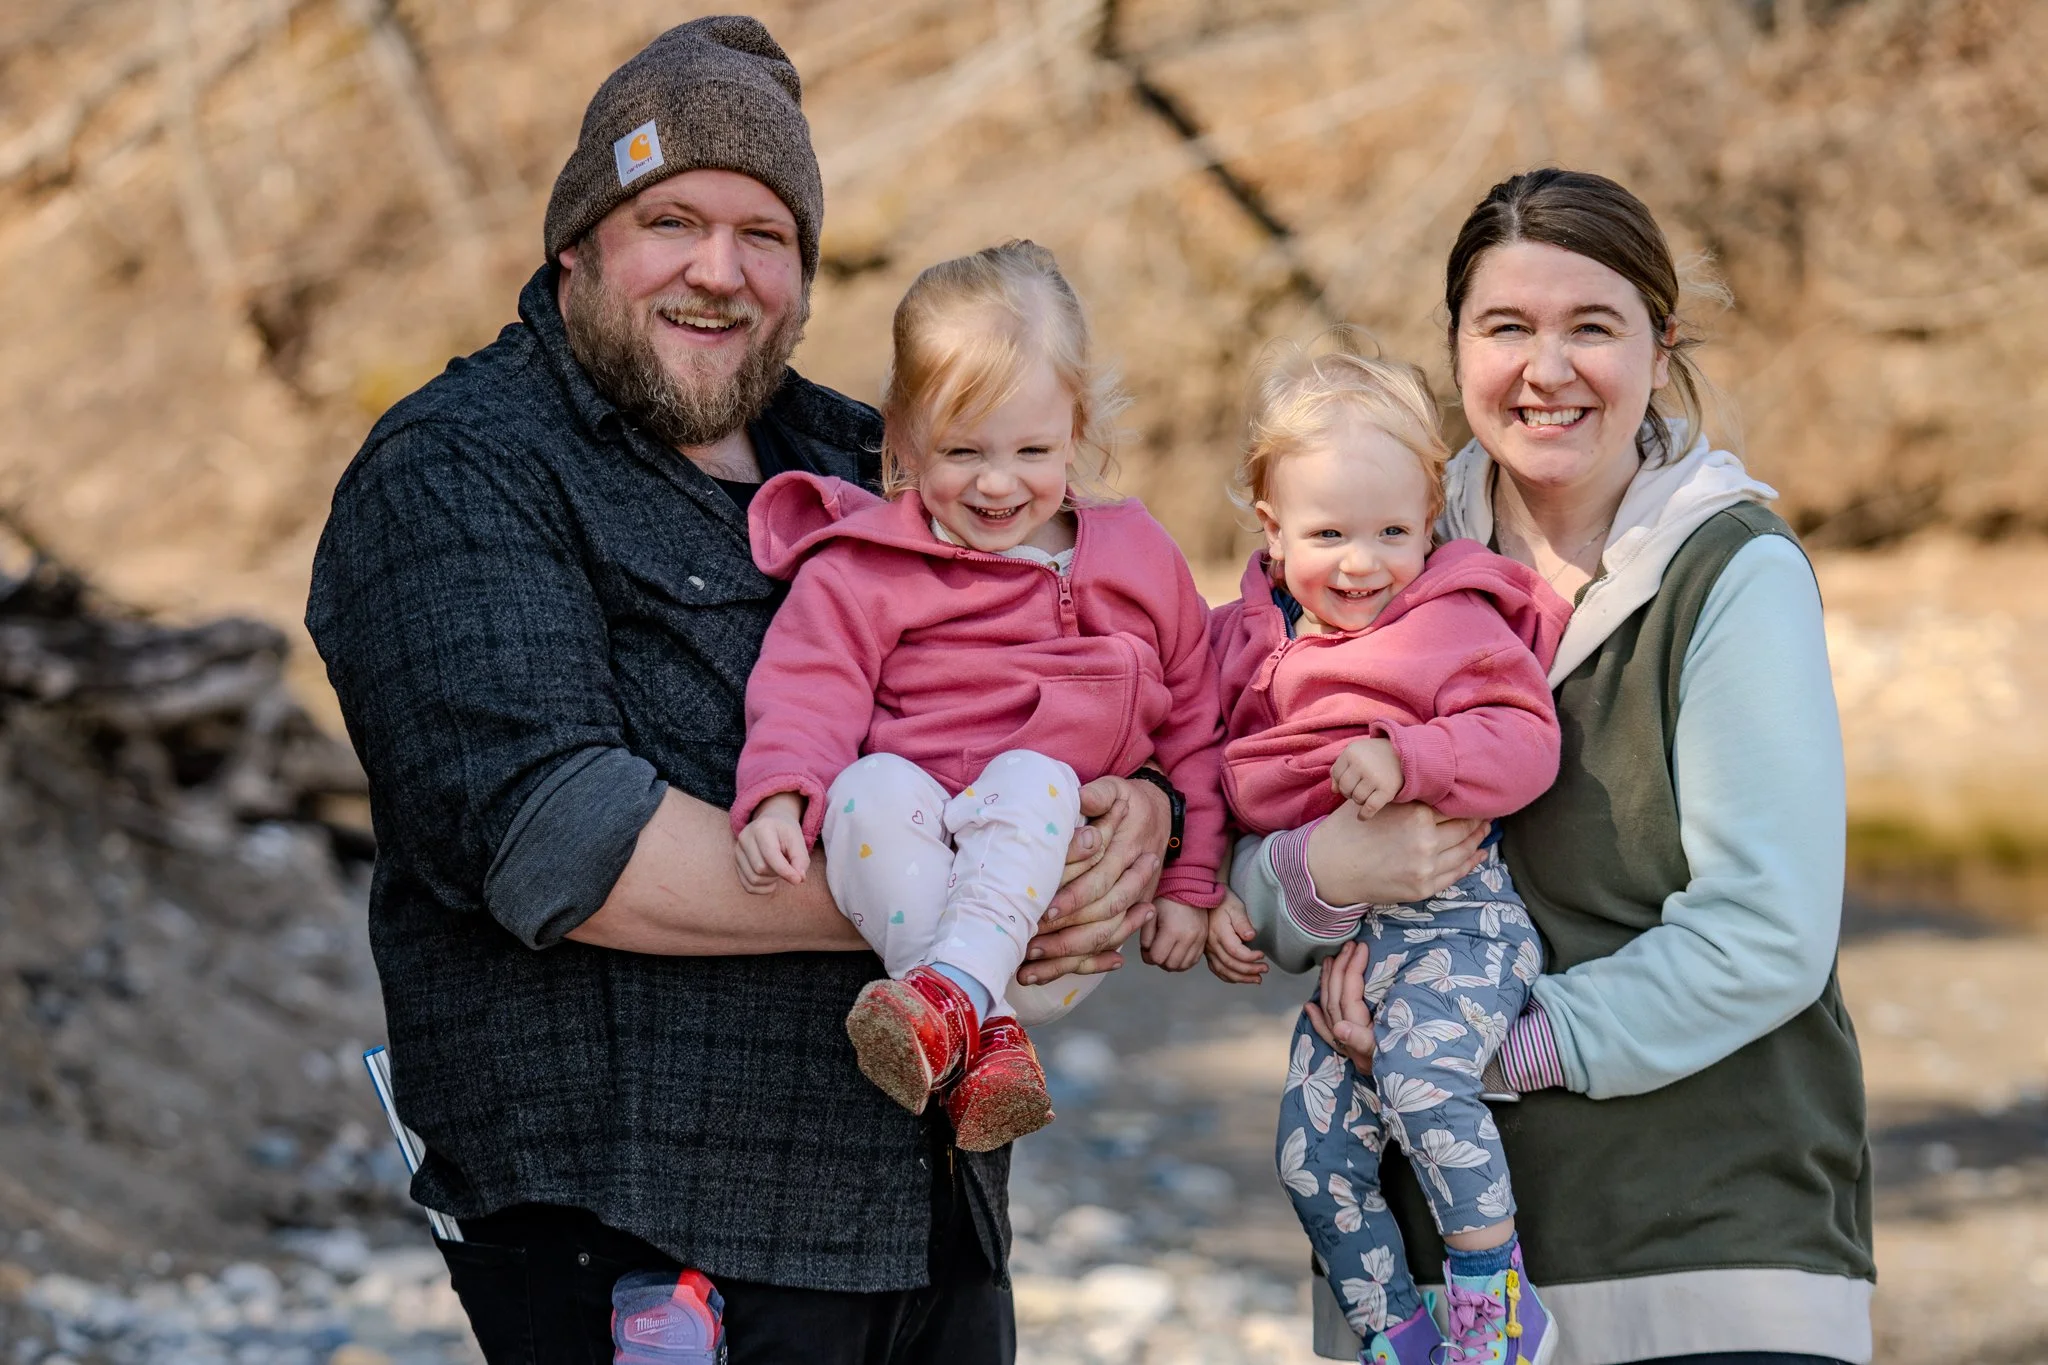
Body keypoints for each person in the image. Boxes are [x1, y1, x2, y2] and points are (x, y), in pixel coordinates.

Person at [305, 19, 1174, 1364]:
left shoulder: (866, 454)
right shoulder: (456, 470)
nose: (720, 270)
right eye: (671, 219)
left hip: (927, 1209)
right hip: (644, 1236)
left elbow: (1096, 647)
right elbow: (553, 837)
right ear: (576, 241)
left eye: (765, 235)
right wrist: (985, 897)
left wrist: (1139, 813)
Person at [1236, 168, 1873, 1365]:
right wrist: (1323, 870)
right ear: (1455, 346)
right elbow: (1248, 858)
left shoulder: (1728, 572)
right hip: (1427, 1285)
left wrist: (1488, 1044)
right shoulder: (1370, 547)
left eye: (1592, 326)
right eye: (1505, 327)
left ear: (1657, 342)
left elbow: (1765, 936)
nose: (1546, 369)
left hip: (1707, 1250)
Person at [731, 241, 1228, 1153]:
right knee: (868, 784)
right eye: (963, 452)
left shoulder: (1139, 557)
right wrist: (780, 791)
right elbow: (809, 686)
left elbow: (1198, 718)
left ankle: (962, 999)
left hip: (1062, 918)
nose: (999, 484)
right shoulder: (866, 567)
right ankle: (979, 1028)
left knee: (1038, 775)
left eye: (1032, 450)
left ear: (1078, 427)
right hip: (905, 882)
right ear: (906, 435)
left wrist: (1192, 879)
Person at [1203, 343, 1568, 1363]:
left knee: (1417, 1080)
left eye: (1391, 532)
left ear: (1429, 522)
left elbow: (1522, 741)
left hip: (1462, 928)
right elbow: (1202, 769)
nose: (1361, 564)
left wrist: (1412, 755)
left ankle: (1494, 1303)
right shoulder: (1246, 643)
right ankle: (1394, 1336)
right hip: (1349, 957)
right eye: (1327, 534)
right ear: (1271, 532)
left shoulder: (1449, 622)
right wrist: (1209, 890)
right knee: (1309, 1157)